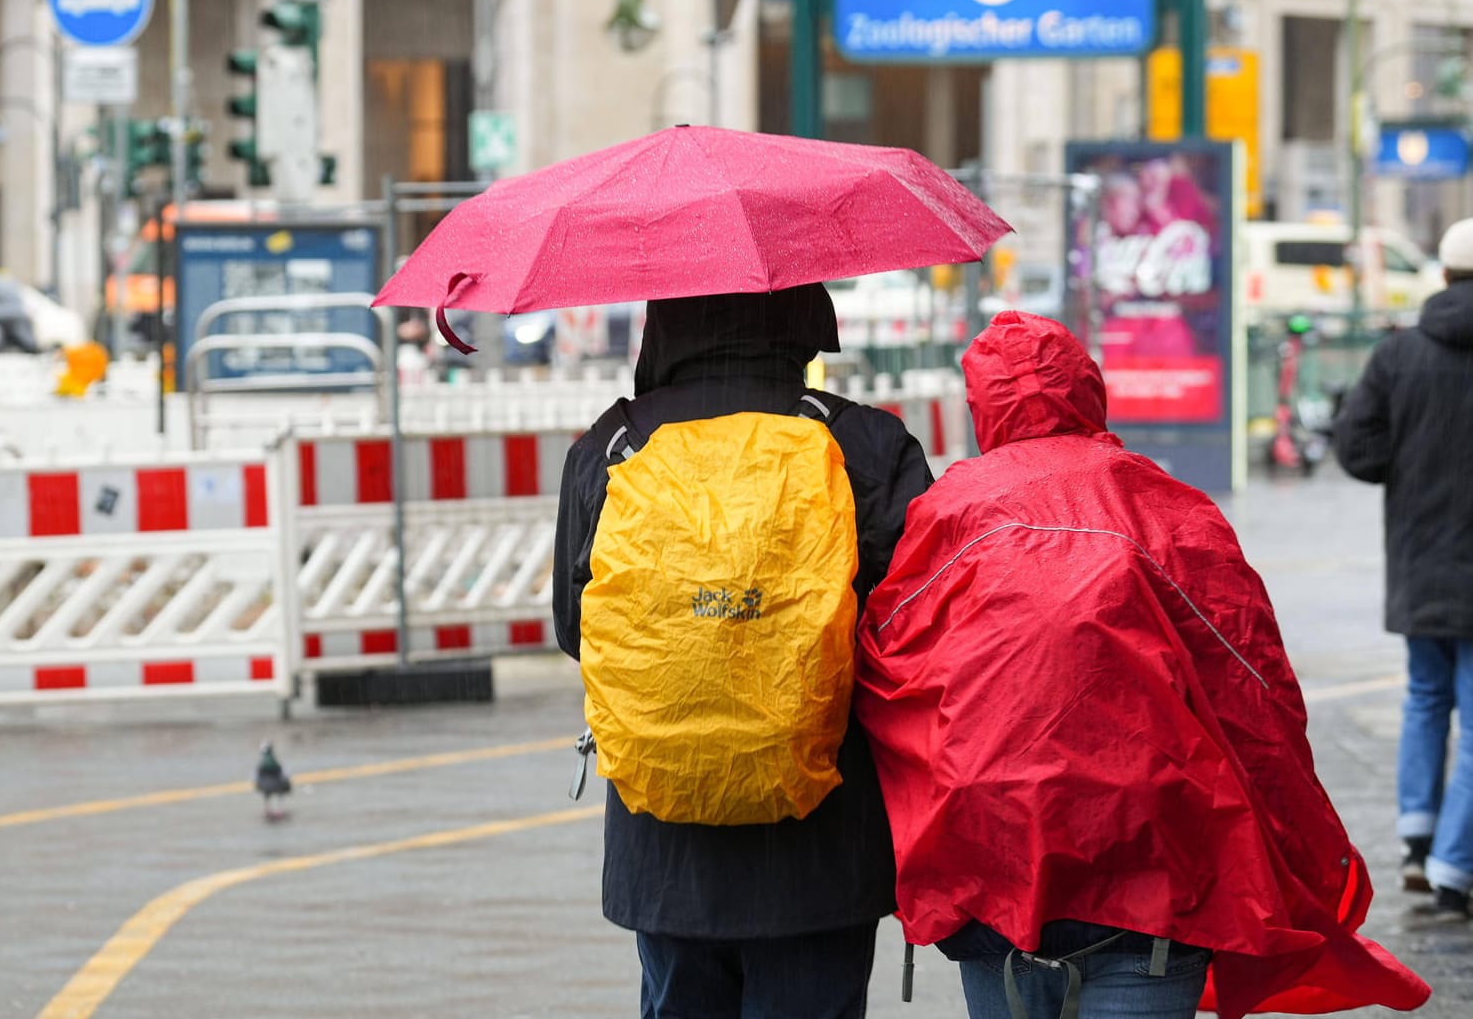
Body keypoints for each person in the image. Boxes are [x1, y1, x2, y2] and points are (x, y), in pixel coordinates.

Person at [856, 311, 1428, 1019]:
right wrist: (1302, 848)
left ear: (982, 409)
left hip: (994, 866)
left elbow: (887, 669)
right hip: (1149, 872)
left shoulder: (947, 512)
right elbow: (1253, 686)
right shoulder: (1162, 504)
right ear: (1090, 390)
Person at [553, 285, 932, 1018]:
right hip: (822, 839)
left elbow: (577, 629)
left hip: (665, 842)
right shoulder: (862, 445)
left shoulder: (611, 449)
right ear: (804, 316)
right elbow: (922, 630)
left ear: (662, 323)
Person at [1335, 216, 1473, 923]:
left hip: (1421, 560)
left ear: (1442, 276)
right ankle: (1455, 864)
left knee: (1425, 698)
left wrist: (1412, 468)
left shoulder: (1399, 355)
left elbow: (1357, 450)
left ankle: (1417, 837)